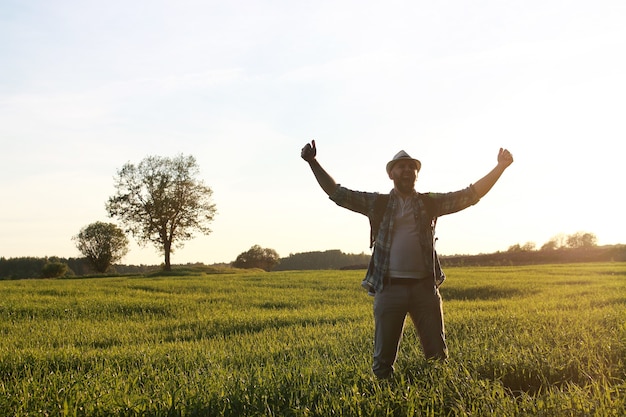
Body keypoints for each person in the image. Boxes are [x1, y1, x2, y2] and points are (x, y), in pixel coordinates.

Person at [301, 140, 514, 379]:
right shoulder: (377, 203)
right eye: (400, 167)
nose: (406, 170)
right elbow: (338, 193)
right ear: (391, 174)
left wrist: (500, 168)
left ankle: (439, 398)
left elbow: (470, 195)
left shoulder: (429, 202)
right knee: (383, 361)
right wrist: (313, 162)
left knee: (437, 356)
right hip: (389, 289)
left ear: (416, 174)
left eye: (411, 167)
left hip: (425, 289)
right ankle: (383, 400)